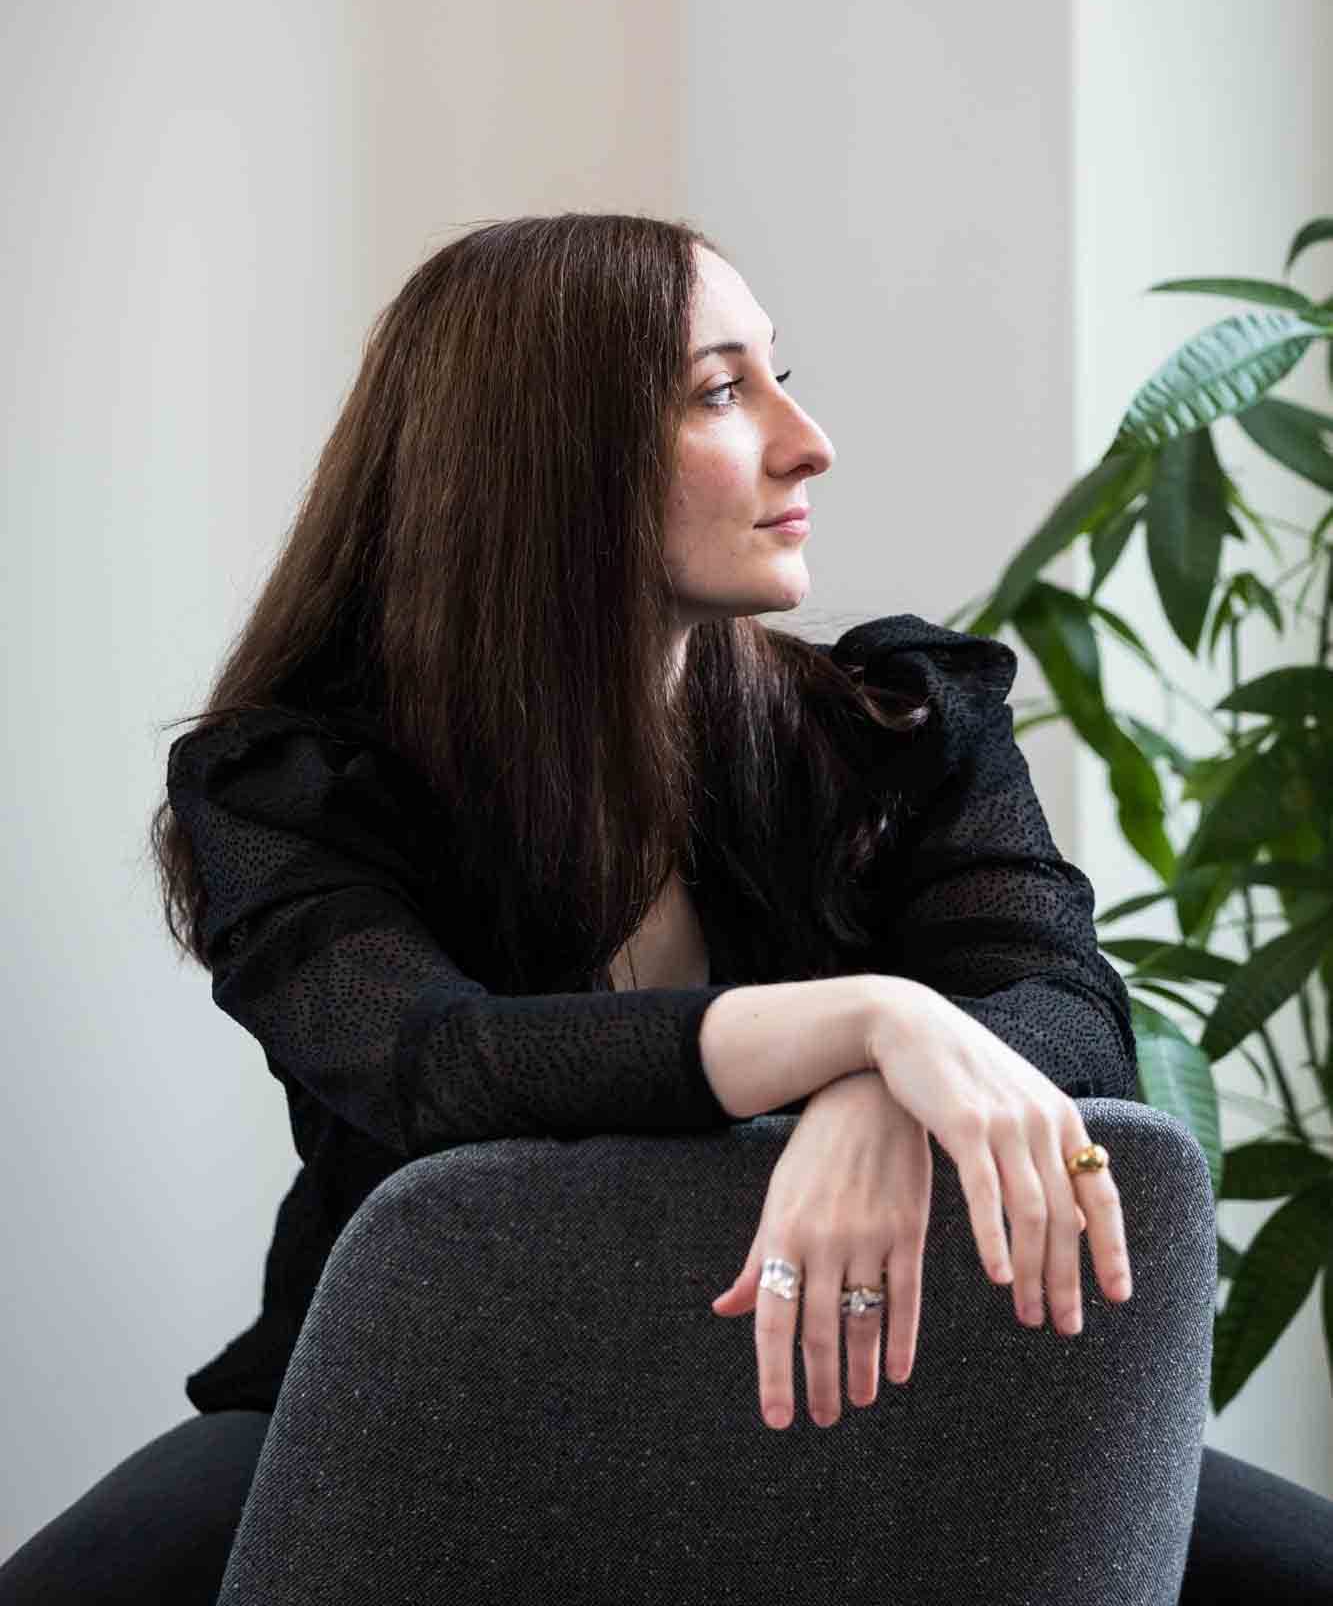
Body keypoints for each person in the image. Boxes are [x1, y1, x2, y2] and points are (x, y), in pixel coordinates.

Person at [2, 213, 1329, 1604]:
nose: (805, 441)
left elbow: (1068, 1023)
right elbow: (444, 1070)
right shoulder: (288, 783)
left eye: (779, 374)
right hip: (411, 1412)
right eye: (718, 389)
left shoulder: (898, 725)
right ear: (539, 458)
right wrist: (865, 1018)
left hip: (896, 1408)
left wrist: (881, 1085)